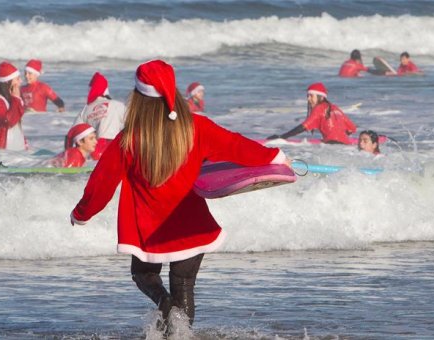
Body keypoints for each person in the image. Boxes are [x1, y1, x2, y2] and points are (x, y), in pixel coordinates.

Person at [70, 60, 290, 329]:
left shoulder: (128, 140)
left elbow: (100, 184)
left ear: (138, 98)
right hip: (190, 224)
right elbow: (237, 146)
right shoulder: (196, 127)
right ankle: (181, 332)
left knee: (142, 274)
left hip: (148, 229)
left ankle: (165, 306)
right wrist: (275, 157)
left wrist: (81, 214)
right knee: (184, 285)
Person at [266, 82, 357, 144]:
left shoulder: (319, 108)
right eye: (307, 96)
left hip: (331, 146)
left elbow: (303, 127)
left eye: (311, 96)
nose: (308, 99)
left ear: (321, 97)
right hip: (346, 145)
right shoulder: (335, 108)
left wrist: (282, 137)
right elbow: (352, 128)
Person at [72, 72, 125, 160]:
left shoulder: (86, 109)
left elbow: (73, 133)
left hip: (94, 150)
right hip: (114, 148)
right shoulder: (118, 105)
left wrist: (70, 153)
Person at [0, 61, 27, 150]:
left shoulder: (13, 99)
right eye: (17, 79)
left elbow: (17, 128)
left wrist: (26, 146)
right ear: (8, 82)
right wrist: (16, 99)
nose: (21, 81)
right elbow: (8, 122)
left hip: (18, 154)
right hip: (0, 155)